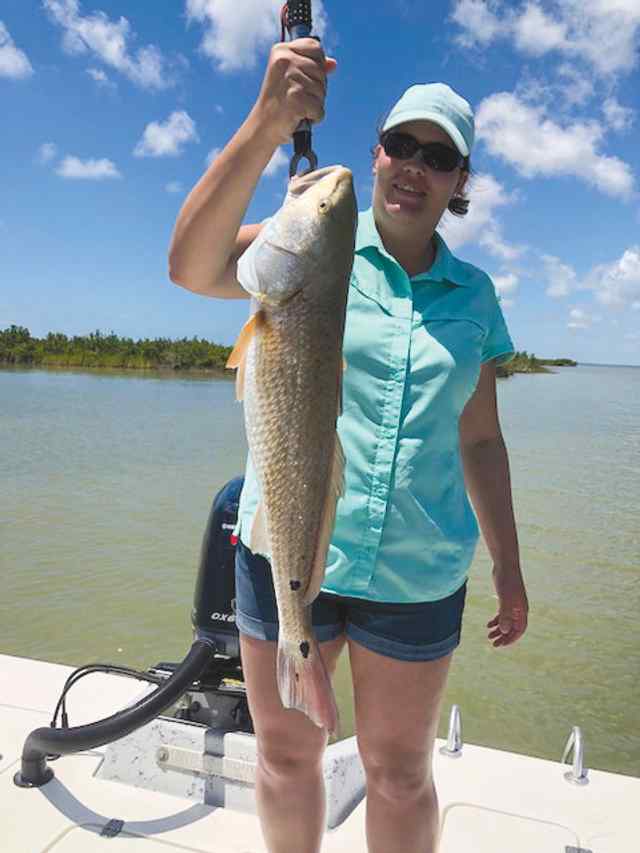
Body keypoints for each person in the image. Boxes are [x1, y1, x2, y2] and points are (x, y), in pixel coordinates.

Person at [169, 38, 529, 853]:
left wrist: (508, 565)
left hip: (416, 564)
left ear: (459, 182)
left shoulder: (475, 296)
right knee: (288, 753)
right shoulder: (308, 239)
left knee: (400, 770)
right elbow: (190, 265)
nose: (415, 165)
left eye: (439, 157)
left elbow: (481, 440)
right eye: (401, 144)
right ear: (375, 154)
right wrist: (268, 121)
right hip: (286, 548)